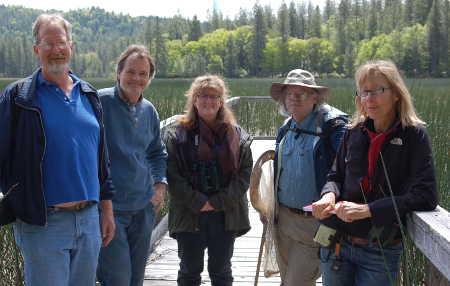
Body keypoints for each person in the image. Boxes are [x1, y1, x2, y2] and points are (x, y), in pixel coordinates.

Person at [0, 14, 115, 286]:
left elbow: (102, 160)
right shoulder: (18, 97)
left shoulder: (89, 95)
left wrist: (107, 211)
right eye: (48, 43)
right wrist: (18, 198)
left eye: (61, 43)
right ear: (36, 49)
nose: (56, 50)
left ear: (71, 46)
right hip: (43, 224)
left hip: (88, 221)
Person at [312, 60, 438, 286]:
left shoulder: (414, 136)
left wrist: (369, 210)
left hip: (379, 249)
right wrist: (328, 195)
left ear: (396, 94)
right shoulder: (353, 132)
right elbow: (335, 176)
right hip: (335, 240)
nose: (369, 99)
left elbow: (425, 195)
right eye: (364, 92)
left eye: (377, 90)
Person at [163, 75, 253, 286]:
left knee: (221, 271)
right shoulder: (176, 135)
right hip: (189, 214)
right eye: (202, 95)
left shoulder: (237, 136)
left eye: (214, 96)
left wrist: (216, 202)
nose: (208, 101)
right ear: (194, 100)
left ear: (221, 101)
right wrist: (198, 201)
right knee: (189, 271)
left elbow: (244, 175)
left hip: (225, 213)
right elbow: (172, 174)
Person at [96, 45, 168, 286]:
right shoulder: (99, 102)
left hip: (143, 209)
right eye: (131, 71)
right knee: (117, 279)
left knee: (136, 279)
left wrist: (159, 185)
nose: (136, 78)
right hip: (109, 210)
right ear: (118, 73)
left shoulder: (149, 111)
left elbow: (157, 152)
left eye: (143, 73)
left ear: (149, 78)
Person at [269, 69, 348, 286]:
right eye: (289, 93)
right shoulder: (286, 128)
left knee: (297, 282)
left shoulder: (334, 128)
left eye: (302, 92)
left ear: (315, 97)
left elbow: (344, 173)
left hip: (317, 224)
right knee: (288, 280)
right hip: (283, 220)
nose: (294, 97)